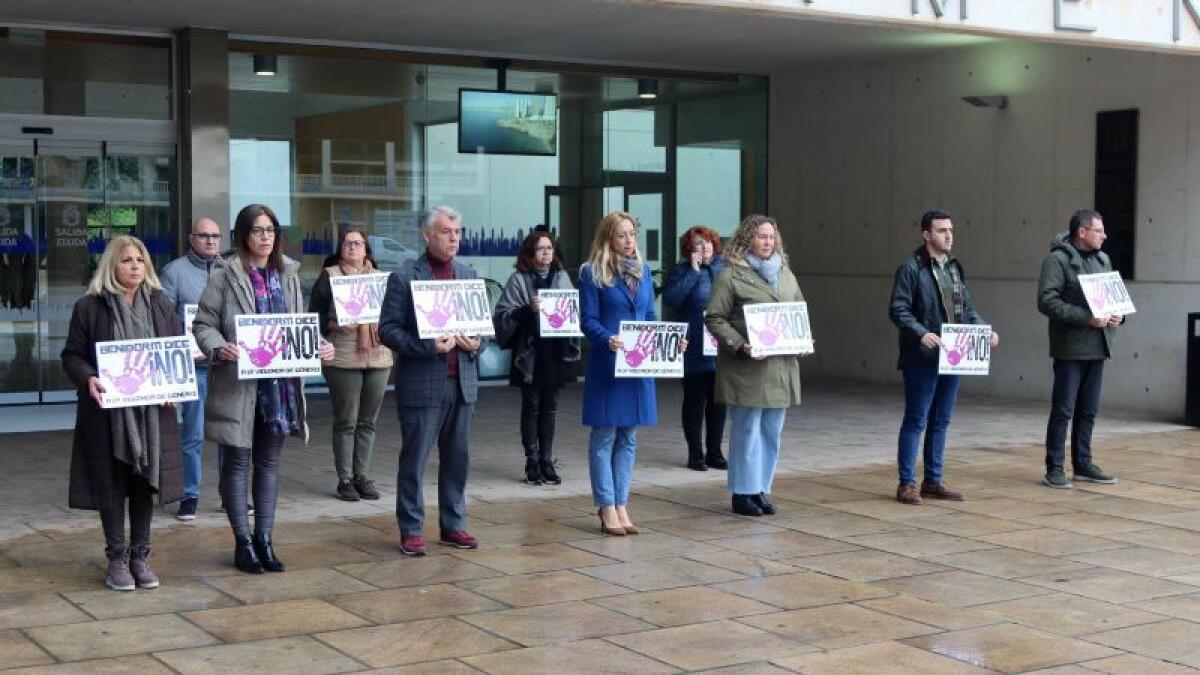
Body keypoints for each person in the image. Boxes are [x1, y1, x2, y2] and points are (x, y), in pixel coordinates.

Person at [192, 204, 335, 574]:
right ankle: (242, 541)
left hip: (280, 387)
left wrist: (319, 343)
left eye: (271, 229)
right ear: (243, 235)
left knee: (269, 464)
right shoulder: (225, 274)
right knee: (238, 462)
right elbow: (203, 323)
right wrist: (218, 346)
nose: (266, 236)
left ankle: (265, 540)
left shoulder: (287, 273)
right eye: (258, 230)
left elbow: (298, 324)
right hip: (239, 383)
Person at [62, 235, 184, 591]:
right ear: (111, 266)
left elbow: (173, 351)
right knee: (111, 483)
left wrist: (173, 387)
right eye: (127, 260)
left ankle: (140, 557)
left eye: (140, 260)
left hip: (151, 413)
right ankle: (117, 558)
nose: (135, 267)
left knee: (144, 482)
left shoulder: (160, 303)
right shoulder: (89, 307)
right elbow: (72, 356)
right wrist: (88, 378)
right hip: (108, 414)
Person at [378, 205, 484, 556]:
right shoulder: (405, 276)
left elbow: (480, 330)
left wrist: (477, 343)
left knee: (457, 460)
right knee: (415, 461)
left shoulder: (468, 276)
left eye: (457, 232)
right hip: (422, 382)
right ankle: (411, 528)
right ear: (427, 235)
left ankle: (454, 525)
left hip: (462, 382)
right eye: (445, 232)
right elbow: (388, 331)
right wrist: (426, 346)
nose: (454, 238)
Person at [888, 210, 1000, 505]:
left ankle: (933, 481)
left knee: (941, 420)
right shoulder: (911, 268)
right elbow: (898, 309)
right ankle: (906, 483)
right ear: (926, 235)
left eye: (950, 230)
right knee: (916, 419)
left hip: (954, 355)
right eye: (941, 231)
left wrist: (985, 330)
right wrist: (920, 332)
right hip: (922, 357)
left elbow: (968, 309)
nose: (948, 235)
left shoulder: (953, 268)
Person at [706, 215, 806, 517]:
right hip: (747, 368)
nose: (768, 242)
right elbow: (714, 318)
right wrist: (740, 345)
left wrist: (801, 338)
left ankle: (761, 488)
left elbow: (798, 309)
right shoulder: (731, 275)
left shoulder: (785, 273)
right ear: (747, 238)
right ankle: (742, 492)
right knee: (747, 431)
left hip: (780, 367)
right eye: (761, 237)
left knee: (771, 431)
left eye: (771, 237)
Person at [580, 211, 667, 536]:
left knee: (628, 436)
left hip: (639, 363)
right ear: (608, 239)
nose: (629, 241)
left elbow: (649, 313)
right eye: (622, 235)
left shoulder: (643, 271)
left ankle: (621, 503)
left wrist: (668, 342)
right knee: (604, 436)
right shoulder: (591, 273)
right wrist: (607, 339)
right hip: (609, 363)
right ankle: (605, 505)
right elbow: (586, 319)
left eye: (632, 234)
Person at [1037, 209, 1123, 489]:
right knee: (1063, 410)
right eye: (1099, 231)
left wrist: (1118, 315)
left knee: (1089, 410)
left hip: (1099, 346)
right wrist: (1084, 317)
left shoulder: (1103, 259)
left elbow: (1114, 298)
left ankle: (1083, 464)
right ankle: (1055, 468)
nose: (1105, 236)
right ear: (1082, 232)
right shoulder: (1057, 260)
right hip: (1070, 348)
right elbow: (1047, 301)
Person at [308, 228, 393, 502]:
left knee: (368, 421)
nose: (352, 248)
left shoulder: (380, 279)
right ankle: (345, 478)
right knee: (347, 420)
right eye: (347, 244)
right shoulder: (329, 276)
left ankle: (362, 476)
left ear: (367, 249)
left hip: (379, 355)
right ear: (340, 248)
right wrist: (335, 324)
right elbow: (315, 316)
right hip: (343, 356)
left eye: (358, 243)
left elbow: (394, 313)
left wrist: (387, 326)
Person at [494, 230, 581, 485]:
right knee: (531, 406)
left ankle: (547, 459)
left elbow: (572, 312)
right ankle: (531, 461)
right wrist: (527, 309)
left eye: (549, 249)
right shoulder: (518, 279)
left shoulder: (562, 277)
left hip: (554, 351)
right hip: (530, 351)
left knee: (550, 407)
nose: (546, 253)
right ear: (530, 254)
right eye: (541, 249)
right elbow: (503, 315)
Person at [159, 217, 225, 520]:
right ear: (191, 238)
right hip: (192, 365)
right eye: (204, 236)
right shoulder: (174, 272)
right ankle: (190, 495)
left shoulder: (233, 270)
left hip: (227, 365)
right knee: (193, 434)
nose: (211, 241)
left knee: (230, 432)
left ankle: (231, 494)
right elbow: (163, 318)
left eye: (215, 236)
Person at [663, 225, 728, 472]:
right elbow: (672, 299)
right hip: (692, 343)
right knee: (694, 399)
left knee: (718, 400)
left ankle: (715, 451)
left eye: (708, 242)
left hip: (719, 342)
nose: (705, 247)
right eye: (698, 244)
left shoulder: (724, 268)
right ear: (690, 250)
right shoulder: (681, 271)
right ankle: (695, 452)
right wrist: (693, 271)